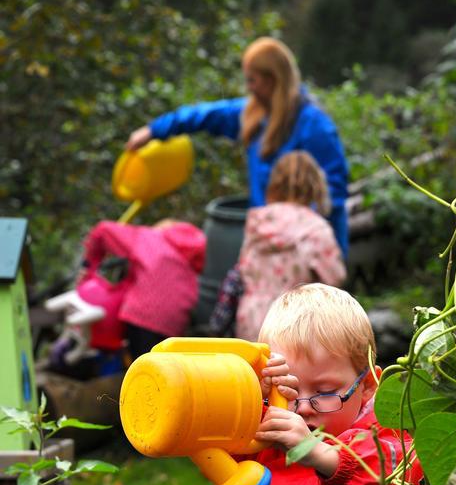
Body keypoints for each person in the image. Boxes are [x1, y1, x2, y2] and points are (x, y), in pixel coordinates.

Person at [125, 37, 350, 257]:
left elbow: (333, 193)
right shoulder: (256, 115)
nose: (249, 88)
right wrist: (154, 130)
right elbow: (206, 115)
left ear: (273, 79)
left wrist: (297, 233)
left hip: (309, 252)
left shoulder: (314, 127)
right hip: (269, 249)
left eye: (253, 80)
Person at [255, 284, 423, 485]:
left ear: (367, 385)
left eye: (324, 392)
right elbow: (221, 448)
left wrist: (318, 453)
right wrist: (254, 400)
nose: (303, 409)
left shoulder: (384, 435)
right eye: (287, 389)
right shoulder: (268, 427)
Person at [235, 151, 347, 341]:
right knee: (291, 371)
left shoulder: (258, 222)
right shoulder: (314, 227)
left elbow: (244, 267)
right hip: (295, 321)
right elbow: (335, 277)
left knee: (254, 370)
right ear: (315, 186)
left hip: (252, 318)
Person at [83, 219, 206, 359]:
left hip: (144, 316)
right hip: (175, 324)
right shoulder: (189, 254)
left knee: (142, 365)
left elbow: (102, 230)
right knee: (163, 367)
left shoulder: (149, 238)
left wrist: (89, 267)